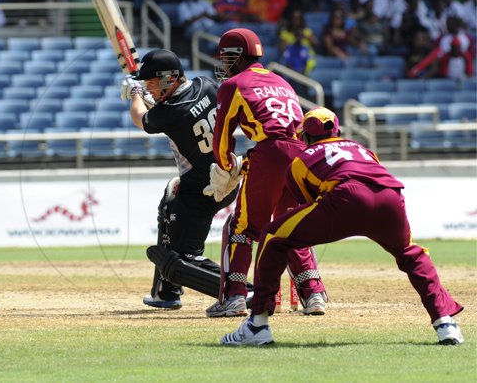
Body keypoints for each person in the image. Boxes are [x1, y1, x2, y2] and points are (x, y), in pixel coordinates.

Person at [220, 107, 464, 346]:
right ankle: (444, 322)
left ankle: (257, 324)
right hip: (391, 196)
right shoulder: (362, 149)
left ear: (304, 136)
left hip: (344, 199)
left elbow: (307, 205)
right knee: (411, 255)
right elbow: (375, 172)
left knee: (274, 237)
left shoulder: (301, 159)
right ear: (336, 131)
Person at [203, 28, 327, 318]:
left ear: (235, 56)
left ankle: (233, 297)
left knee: (242, 227)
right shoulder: (283, 82)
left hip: (270, 152)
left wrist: (225, 167)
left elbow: (222, 136)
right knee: (291, 226)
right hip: (301, 154)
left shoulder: (233, 85)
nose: (223, 65)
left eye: (225, 58)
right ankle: (313, 294)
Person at [120, 49, 238, 309]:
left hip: (202, 188)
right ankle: (166, 291)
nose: (149, 89)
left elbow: (140, 117)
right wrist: (145, 90)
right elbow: (174, 112)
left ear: (168, 79)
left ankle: (239, 292)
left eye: (151, 83)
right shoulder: (206, 85)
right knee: (169, 202)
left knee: (184, 260)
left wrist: (136, 95)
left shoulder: (171, 112)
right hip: (226, 175)